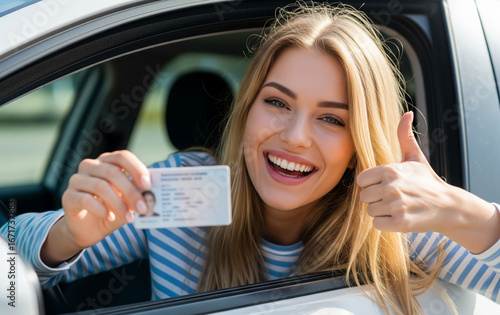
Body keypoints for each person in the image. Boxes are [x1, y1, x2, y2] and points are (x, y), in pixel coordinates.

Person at [2, 2, 500, 314]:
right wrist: (68, 235)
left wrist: (468, 216)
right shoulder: (194, 190)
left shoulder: (393, 222)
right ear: (247, 109)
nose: (295, 137)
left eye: (332, 119)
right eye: (278, 103)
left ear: (359, 146)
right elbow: (8, 251)